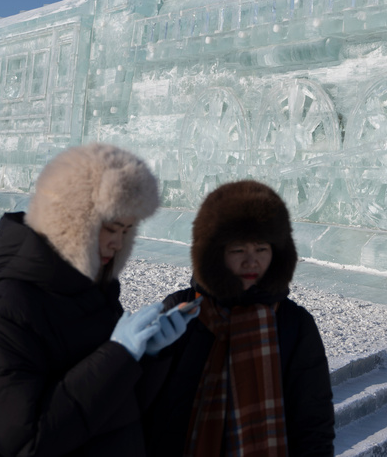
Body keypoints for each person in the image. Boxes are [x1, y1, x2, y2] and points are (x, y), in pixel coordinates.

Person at [0, 142, 194, 456]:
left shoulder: (95, 295)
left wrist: (147, 356)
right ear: (72, 218)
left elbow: (114, 413)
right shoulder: (10, 309)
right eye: (110, 229)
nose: (118, 243)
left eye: (127, 231)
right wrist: (118, 357)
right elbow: (28, 440)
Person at [142, 180, 335, 456]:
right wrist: (150, 357)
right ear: (214, 253)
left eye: (261, 249)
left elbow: (313, 421)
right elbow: (145, 404)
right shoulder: (182, 310)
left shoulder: (294, 323)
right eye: (238, 250)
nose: (251, 261)